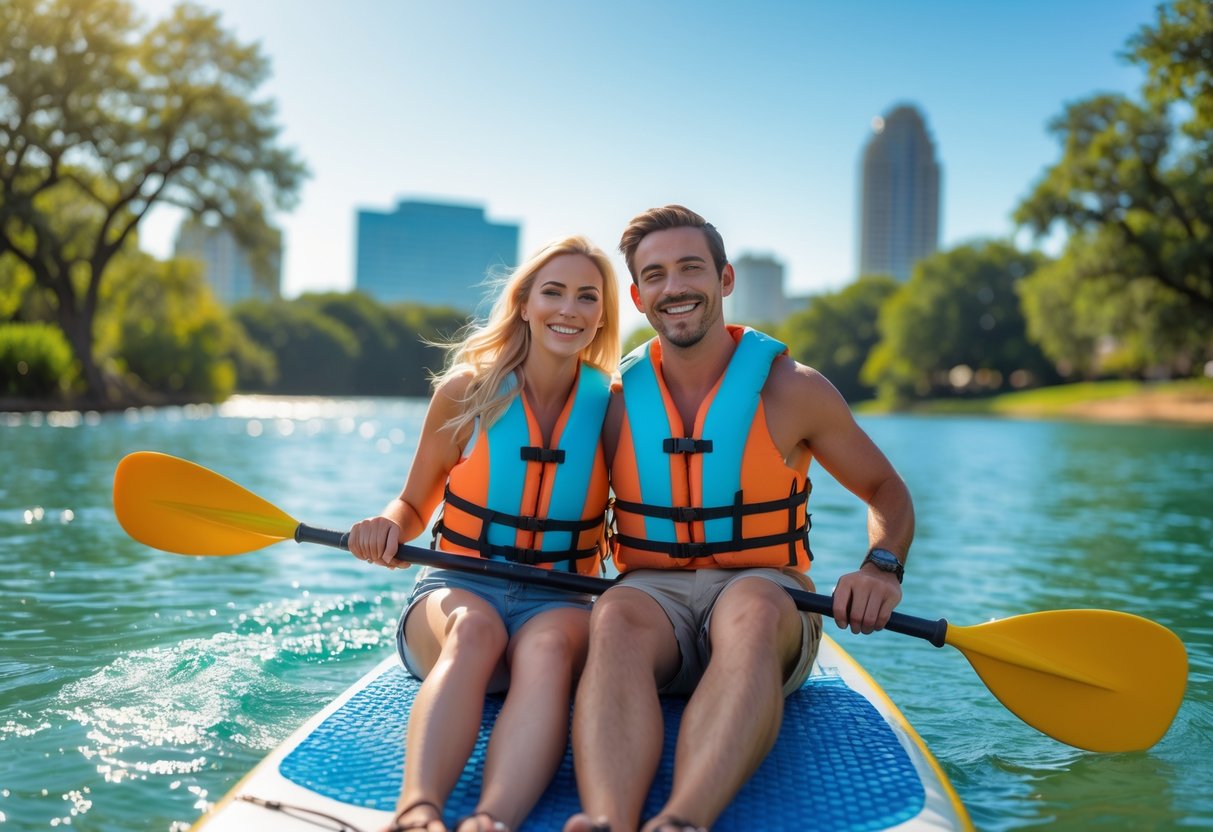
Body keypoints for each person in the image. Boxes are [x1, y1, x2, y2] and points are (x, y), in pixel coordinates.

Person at [563, 206, 913, 832]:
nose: (676, 288)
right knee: (612, 615)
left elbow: (885, 488)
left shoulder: (795, 389)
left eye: (691, 268)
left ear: (725, 279)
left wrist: (881, 567)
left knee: (752, 605)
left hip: (766, 597)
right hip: (652, 600)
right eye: (657, 275)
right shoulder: (612, 399)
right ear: (640, 297)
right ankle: (608, 821)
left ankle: (682, 821)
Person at [347, 235, 621, 832]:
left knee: (545, 650)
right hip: (457, 590)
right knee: (476, 630)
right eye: (553, 292)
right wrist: (387, 526)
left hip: (561, 601)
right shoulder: (467, 393)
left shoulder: (614, 409)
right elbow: (413, 503)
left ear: (602, 316)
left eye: (586, 297)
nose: (568, 310)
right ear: (524, 303)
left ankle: (492, 819)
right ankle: (417, 812)